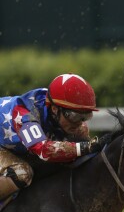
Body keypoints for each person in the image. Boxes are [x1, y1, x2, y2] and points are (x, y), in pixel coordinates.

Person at [0, 73, 106, 201]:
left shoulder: (64, 112)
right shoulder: (24, 115)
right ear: (55, 109)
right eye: (74, 116)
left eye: (85, 117)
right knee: (22, 173)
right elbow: (44, 151)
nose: (79, 123)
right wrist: (85, 147)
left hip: (12, 146)